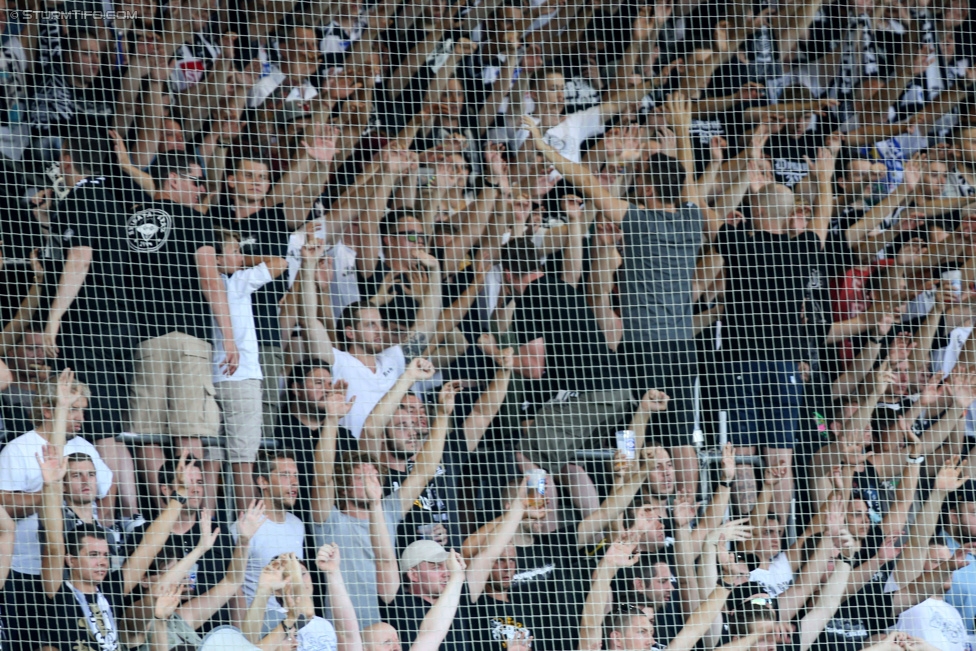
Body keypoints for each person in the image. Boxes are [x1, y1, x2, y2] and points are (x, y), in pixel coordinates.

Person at [310, 379, 459, 627]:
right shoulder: (329, 519)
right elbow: (323, 478)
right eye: (360, 477)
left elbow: (424, 471)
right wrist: (332, 421)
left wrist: (442, 415)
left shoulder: (387, 510)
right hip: (345, 631)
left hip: (387, 630)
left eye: (374, 476)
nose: (370, 482)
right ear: (344, 486)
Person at [0, 370, 112, 576]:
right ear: (47, 410)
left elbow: (107, 490)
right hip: (28, 566)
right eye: (73, 409)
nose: (81, 418)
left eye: (83, 411)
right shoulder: (17, 449)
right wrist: (52, 495)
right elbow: (4, 504)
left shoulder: (85, 447)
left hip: (80, 569)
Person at [210, 228, 287, 513]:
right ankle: (248, 524)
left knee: (213, 456)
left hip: (210, 376)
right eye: (234, 251)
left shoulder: (203, 282)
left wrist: (230, 257)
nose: (241, 257)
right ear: (216, 259)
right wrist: (240, 262)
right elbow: (280, 262)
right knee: (244, 458)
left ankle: (211, 521)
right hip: (240, 377)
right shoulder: (235, 283)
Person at [233, 449, 305, 626]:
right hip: (260, 627)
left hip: (294, 624)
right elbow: (234, 586)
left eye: (295, 475)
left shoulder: (297, 525)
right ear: (263, 482)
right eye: (285, 475)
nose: (294, 482)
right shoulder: (244, 527)